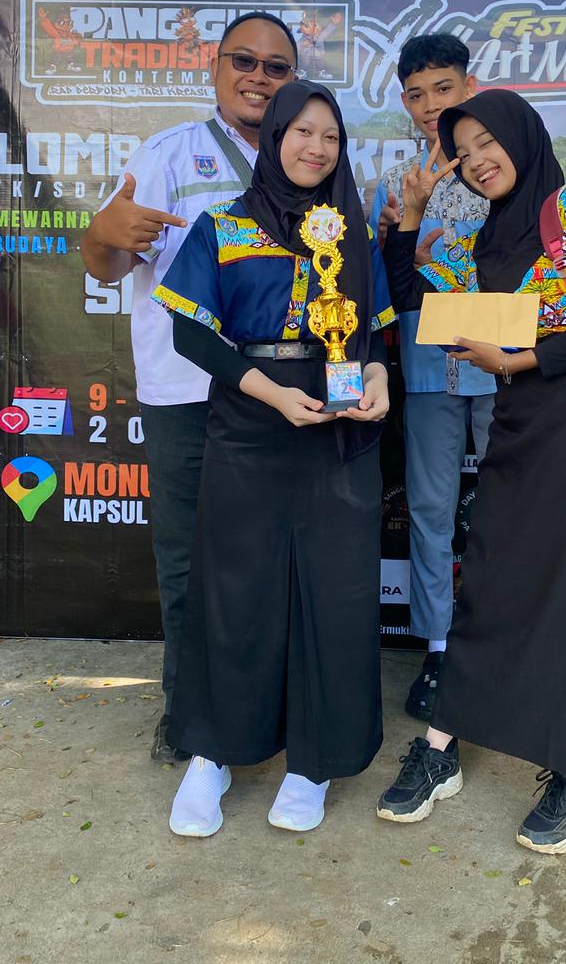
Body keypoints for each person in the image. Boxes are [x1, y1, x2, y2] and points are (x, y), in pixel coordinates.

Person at [375, 89, 566, 854]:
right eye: (463, 152)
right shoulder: (483, 237)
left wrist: (517, 360)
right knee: (486, 584)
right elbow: (413, 295)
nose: (478, 160)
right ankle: (441, 749)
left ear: (522, 136)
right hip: (516, 431)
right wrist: (412, 219)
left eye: (488, 141)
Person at [152, 81, 395, 837]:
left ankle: (314, 761)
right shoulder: (224, 225)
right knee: (236, 589)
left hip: (338, 429)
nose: (316, 148)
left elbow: (372, 334)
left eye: (331, 136)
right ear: (274, 135)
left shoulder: (351, 230)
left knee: (334, 594)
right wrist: (272, 395)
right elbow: (191, 333)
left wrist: (379, 381)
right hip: (251, 421)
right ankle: (213, 754)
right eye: (302, 132)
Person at [80, 11, 298, 762]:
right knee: (186, 562)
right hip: (186, 394)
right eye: (244, 61)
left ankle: (269, 709)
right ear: (214, 68)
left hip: (281, 394)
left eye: (276, 67)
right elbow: (107, 261)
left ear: (292, 81)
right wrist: (103, 235)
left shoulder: (307, 157)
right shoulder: (168, 153)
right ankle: (187, 712)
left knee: (271, 559)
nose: (258, 77)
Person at [369, 34, 494, 720]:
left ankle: (504, 642)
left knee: (512, 508)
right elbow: (379, 286)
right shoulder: (394, 185)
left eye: (443, 88)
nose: (429, 105)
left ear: (469, 87)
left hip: (506, 369)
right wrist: (395, 239)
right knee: (428, 510)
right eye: (416, 95)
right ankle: (439, 648)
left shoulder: (506, 168)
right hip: (425, 369)